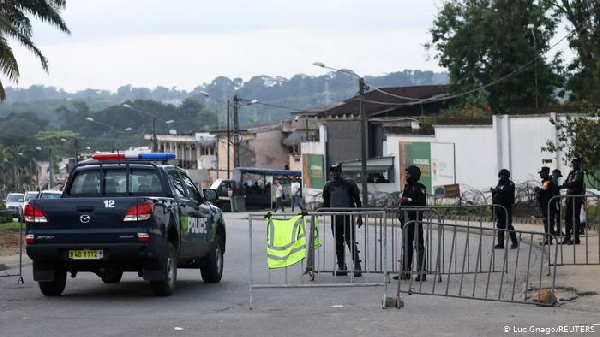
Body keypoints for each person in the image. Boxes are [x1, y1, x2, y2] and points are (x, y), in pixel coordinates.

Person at [322, 163, 363, 277]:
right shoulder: (328, 186)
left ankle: (357, 266)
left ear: (340, 172)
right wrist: (318, 210)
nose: (334, 173)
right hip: (335, 218)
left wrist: (360, 215)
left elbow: (357, 201)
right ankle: (341, 266)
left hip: (347, 217)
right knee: (338, 242)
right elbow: (326, 204)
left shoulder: (349, 184)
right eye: (332, 171)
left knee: (350, 241)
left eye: (336, 171)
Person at [396, 165, 427, 281]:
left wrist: (407, 200)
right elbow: (403, 203)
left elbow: (421, 204)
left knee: (419, 246)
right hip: (406, 221)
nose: (407, 176)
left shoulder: (420, 188)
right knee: (406, 247)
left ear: (414, 175)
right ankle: (405, 272)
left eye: (409, 174)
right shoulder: (407, 188)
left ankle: (422, 272)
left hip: (416, 221)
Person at [491, 169, 518, 249]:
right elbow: (497, 192)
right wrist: (494, 191)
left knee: (508, 225)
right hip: (499, 207)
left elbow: (507, 191)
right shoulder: (499, 183)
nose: (501, 177)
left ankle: (514, 242)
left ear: (506, 175)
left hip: (506, 207)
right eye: (500, 175)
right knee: (500, 225)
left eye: (503, 175)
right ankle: (500, 243)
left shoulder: (510, 184)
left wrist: (499, 191)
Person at [561, 157, 585, 245]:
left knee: (575, 218)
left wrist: (566, 185)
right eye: (573, 163)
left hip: (576, 198)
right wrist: (565, 185)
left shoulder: (580, 173)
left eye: (575, 163)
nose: (574, 165)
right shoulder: (571, 173)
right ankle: (567, 237)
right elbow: (566, 182)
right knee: (567, 217)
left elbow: (575, 182)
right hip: (569, 197)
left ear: (579, 164)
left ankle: (576, 238)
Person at [534, 167, 558, 245]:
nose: (540, 174)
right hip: (545, 204)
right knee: (547, 222)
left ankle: (549, 240)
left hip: (548, 205)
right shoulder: (545, 181)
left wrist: (537, 189)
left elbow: (541, 190)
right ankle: (548, 239)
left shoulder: (548, 181)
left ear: (546, 172)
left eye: (542, 172)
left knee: (548, 222)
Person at [551, 169, 563, 235]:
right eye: (558, 175)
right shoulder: (554, 179)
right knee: (558, 215)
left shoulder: (551, 179)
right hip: (556, 200)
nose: (558, 177)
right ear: (555, 173)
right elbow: (555, 189)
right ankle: (558, 231)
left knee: (554, 216)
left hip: (554, 200)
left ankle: (554, 230)